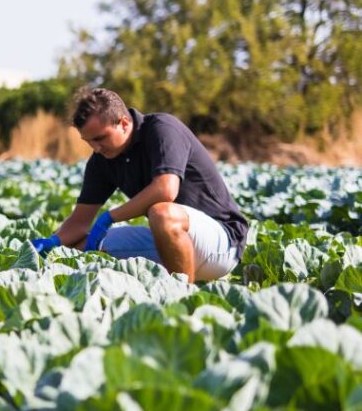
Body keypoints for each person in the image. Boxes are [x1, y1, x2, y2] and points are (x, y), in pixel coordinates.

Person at [31, 88, 248, 282]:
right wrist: (52, 242)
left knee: (162, 212)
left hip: (221, 245)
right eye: (89, 142)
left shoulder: (162, 129)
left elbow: (166, 189)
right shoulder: (102, 160)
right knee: (75, 249)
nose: (96, 148)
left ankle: (182, 297)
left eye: (100, 138)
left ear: (124, 123)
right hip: (168, 243)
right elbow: (80, 222)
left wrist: (109, 217)